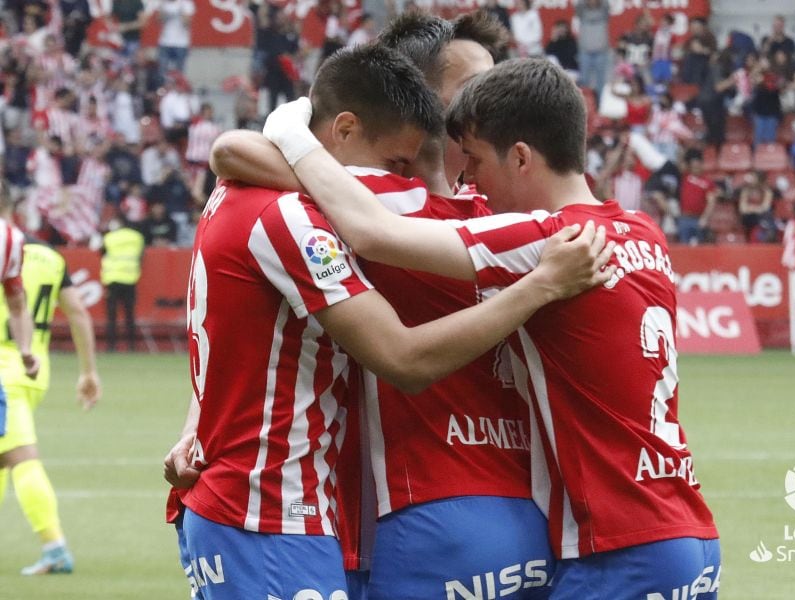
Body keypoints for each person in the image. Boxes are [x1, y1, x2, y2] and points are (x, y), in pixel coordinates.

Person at [165, 46, 611, 600]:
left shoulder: (243, 195)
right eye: (398, 163)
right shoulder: (295, 213)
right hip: (270, 508)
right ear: (345, 129)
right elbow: (401, 356)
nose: (403, 177)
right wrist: (540, 285)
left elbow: (244, 330)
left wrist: (197, 423)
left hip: (271, 505)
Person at [263, 58, 720, 598]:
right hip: (689, 528)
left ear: (521, 157)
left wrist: (287, 132)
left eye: (476, 160)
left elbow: (371, 232)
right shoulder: (643, 232)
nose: (468, 180)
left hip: (622, 546)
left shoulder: (553, 241)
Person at [0, 230, 101, 575]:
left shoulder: (5, 250)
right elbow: (77, 312)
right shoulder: (51, 257)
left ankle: (54, 546)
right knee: (3, 457)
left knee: (21, 457)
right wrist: (88, 371)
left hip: (5, 366)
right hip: (34, 367)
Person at [0, 187, 44, 570]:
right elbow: (16, 302)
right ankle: (56, 545)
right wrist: (27, 349)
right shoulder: (10, 238)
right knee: (17, 455)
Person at [100, 220, 145, 351]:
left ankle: (111, 346)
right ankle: (131, 345)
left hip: (112, 279)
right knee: (130, 315)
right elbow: (141, 256)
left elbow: (102, 252)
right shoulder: (137, 237)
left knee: (111, 315)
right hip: (130, 279)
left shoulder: (109, 237)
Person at [678, 149, 718, 244]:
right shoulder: (685, 177)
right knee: (684, 248)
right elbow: (680, 163)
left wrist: (704, 218)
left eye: (697, 165)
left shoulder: (708, 182)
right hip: (684, 218)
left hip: (698, 219)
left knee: (699, 247)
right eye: (693, 166)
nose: (695, 167)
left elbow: (711, 202)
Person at [574, 0, 609, 99]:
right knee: (584, 81)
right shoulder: (582, 12)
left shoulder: (603, 11)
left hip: (601, 51)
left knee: (600, 82)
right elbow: (578, 4)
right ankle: (585, 106)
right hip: (585, 52)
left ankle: (599, 106)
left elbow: (606, 3)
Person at [155, 0, 195, 75]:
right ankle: (163, 86)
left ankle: (178, 87)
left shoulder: (186, 3)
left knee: (179, 72)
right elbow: (158, 21)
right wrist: (163, 11)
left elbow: (187, 23)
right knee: (162, 71)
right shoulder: (164, 4)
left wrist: (181, 11)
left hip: (181, 43)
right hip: (165, 42)